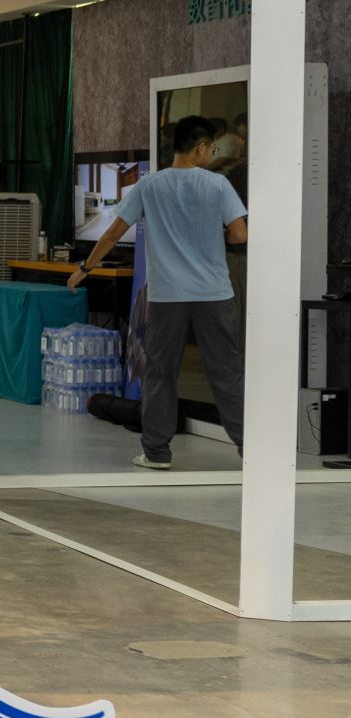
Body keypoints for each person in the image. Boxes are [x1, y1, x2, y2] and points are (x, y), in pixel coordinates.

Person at [73, 115, 248, 470]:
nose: (211, 155)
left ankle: (156, 452)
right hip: (214, 295)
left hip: (168, 297)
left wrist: (85, 269)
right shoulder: (218, 185)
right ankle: (251, 450)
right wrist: (217, 235)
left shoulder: (149, 185)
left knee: (160, 373)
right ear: (200, 148)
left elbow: (112, 233)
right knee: (226, 372)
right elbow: (240, 234)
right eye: (211, 149)